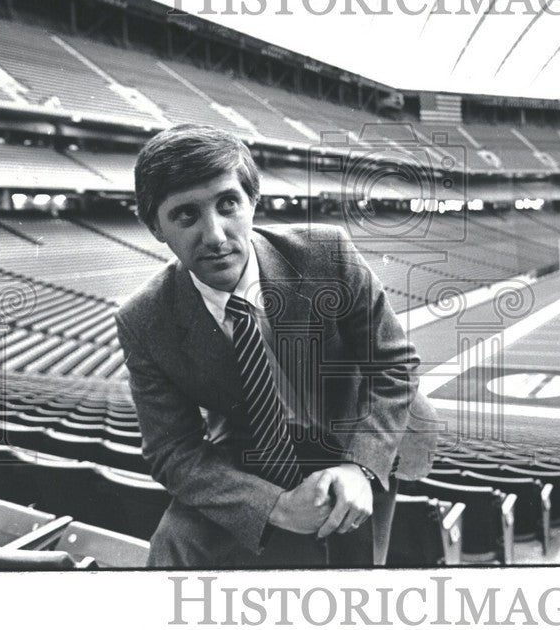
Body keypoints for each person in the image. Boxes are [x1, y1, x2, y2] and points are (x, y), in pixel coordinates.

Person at [115, 124, 438, 567]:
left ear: (253, 202)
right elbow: (173, 450)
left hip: (354, 421)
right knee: (172, 547)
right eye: (186, 216)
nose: (214, 235)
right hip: (251, 442)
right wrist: (275, 507)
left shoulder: (326, 253)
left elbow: (395, 362)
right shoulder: (143, 319)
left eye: (228, 204)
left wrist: (360, 467)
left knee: (355, 560)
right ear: (155, 227)